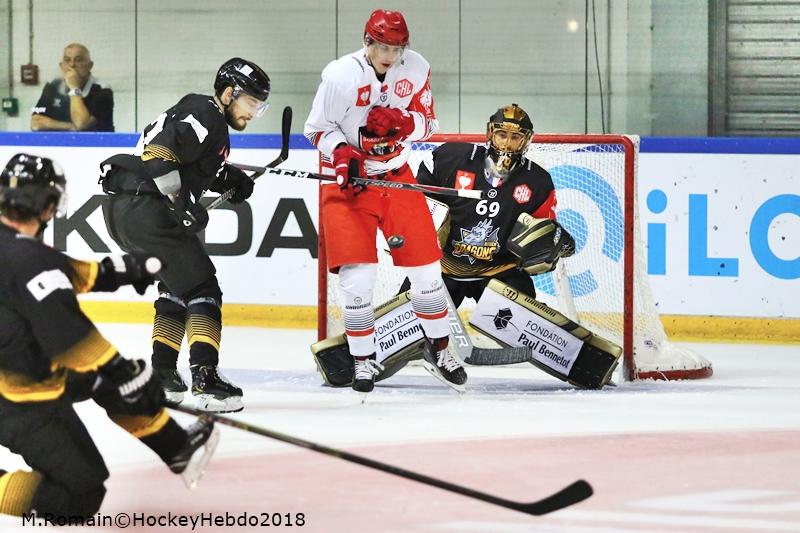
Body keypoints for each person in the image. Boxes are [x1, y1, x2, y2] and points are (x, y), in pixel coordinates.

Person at [0, 153, 216, 520]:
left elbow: (63, 272)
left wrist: (131, 269)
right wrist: (123, 371)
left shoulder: (17, 249)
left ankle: (177, 447)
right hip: (15, 397)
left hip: (21, 369)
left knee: (110, 384)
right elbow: (68, 335)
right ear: (49, 206)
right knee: (81, 497)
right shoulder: (29, 259)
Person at [304, 9, 466, 394]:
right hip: (349, 183)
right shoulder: (340, 76)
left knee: (428, 271)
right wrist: (341, 151)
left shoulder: (417, 68)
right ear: (367, 42)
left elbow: (429, 123)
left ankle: (440, 347)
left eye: (396, 48)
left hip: (396, 176)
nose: (389, 56)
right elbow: (316, 130)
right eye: (382, 47)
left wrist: (405, 123)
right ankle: (362, 360)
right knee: (358, 279)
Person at [99, 58, 270, 413]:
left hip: (123, 210)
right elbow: (160, 153)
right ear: (229, 94)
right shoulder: (207, 115)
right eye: (251, 102)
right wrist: (181, 203)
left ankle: (163, 376)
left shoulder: (200, 112)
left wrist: (228, 179)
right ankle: (206, 379)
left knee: (177, 286)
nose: (253, 113)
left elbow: (190, 161)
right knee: (203, 288)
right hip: (147, 208)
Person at [402, 103, 575, 306]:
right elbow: (420, 196)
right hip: (442, 266)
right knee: (410, 323)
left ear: (526, 140)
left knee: (520, 322)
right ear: (490, 133)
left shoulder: (538, 182)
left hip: (499, 271)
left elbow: (542, 230)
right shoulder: (452, 158)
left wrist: (551, 242)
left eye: (515, 137)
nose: (507, 143)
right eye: (502, 135)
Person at [30, 43, 114, 132]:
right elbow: (35, 123)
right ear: (61, 66)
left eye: (78, 60)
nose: (72, 64)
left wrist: (74, 88)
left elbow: (81, 125)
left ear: (90, 66)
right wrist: (70, 127)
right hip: (60, 140)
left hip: (95, 141)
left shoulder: (103, 89)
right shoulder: (52, 85)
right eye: (67, 60)